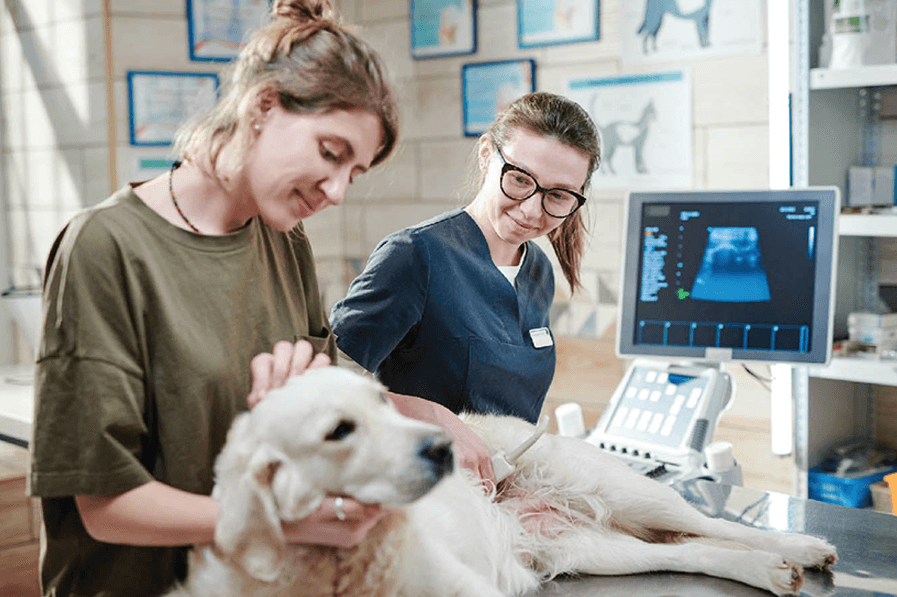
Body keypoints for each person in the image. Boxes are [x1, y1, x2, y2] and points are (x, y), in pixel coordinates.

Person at [28, 2, 405, 595]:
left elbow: (310, 423)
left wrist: (405, 412)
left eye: (353, 173)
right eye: (331, 154)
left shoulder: (286, 241)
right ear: (263, 105)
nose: (336, 192)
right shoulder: (105, 248)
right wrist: (282, 520)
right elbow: (105, 503)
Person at [330, 91, 601, 424]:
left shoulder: (537, 270)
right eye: (519, 179)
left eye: (557, 195)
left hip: (505, 472)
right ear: (487, 155)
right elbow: (327, 381)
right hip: (435, 470)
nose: (531, 211)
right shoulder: (415, 255)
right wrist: (429, 414)